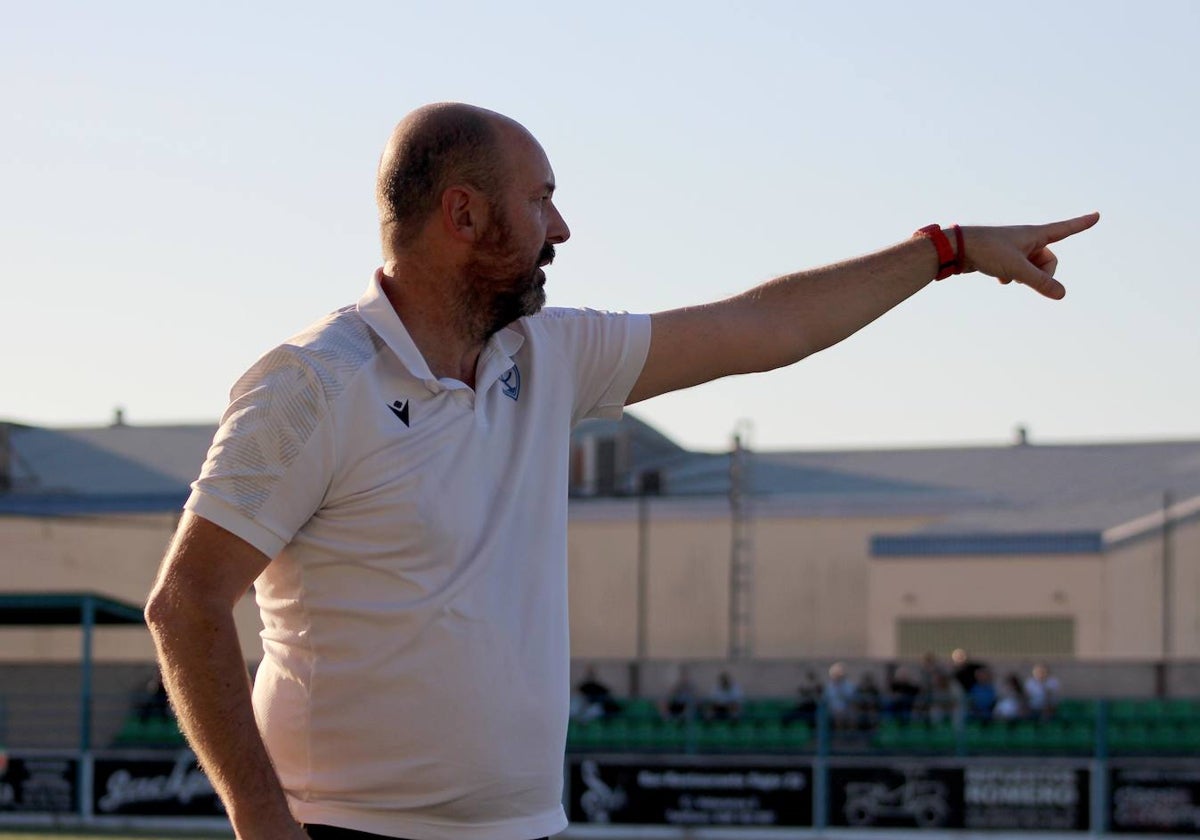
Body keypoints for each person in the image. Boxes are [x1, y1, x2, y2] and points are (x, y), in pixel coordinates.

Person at [142, 101, 1099, 840]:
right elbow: (184, 605)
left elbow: (767, 329)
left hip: (526, 828)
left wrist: (949, 251)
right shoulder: (310, 384)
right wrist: (265, 830)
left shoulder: (546, 354)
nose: (562, 229)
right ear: (463, 213)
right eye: (541, 198)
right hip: (345, 829)